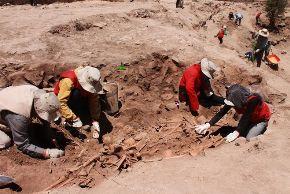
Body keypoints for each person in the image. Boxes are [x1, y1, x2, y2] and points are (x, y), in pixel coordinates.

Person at [0, 85, 64, 159]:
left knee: (31, 128)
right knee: (5, 141)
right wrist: (47, 153)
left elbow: (43, 114)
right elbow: (22, 145)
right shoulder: (19, 117)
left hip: (5, 101)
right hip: (11, 111)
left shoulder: (39, 94)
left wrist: (49, 134)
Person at [195, 84, 271, 142]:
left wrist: (236, 132)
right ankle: (247, 127)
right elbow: (222, 112)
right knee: (242, 132)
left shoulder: (253, 100)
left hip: (260, 119)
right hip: (250, 118)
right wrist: (208, 124)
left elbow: (246, 117)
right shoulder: (233, 97)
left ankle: (262, 127)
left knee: (249, 139)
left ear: (239, 100)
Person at [54, 66, 104, 139]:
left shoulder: (92, 79)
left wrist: (95, 119)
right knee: (76, 93)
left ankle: (82, 112)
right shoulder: (68, 80)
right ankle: (72, 114)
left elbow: (94, 100)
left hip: (80, 98)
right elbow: (60, 102)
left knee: (90, 94)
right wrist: (73, 118)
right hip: (66, 99)